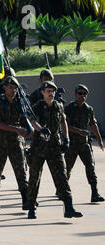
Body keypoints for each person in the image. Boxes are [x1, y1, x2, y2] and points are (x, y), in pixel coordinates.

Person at [27, 81, 83, 219]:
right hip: (39, 147)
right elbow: (32, 121)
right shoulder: (38, 106)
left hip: (54, 148)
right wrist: (41, 129)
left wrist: (67, 139)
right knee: (34, 178)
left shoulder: (59, 106)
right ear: (43, 93)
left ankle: (68, 207)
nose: (51, 93)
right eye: (48, 91)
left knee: (62, 177)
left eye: (53, 91)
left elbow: (63, 122)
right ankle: (31, 207)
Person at [0, 76, 31, 210]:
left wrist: (30, 129)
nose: (13, 90)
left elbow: (25, 121)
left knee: (21, 171)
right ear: (4, 88)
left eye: (15, 88)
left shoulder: (20, 103)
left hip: (15, 142)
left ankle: (25, 199)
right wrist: (17, 129)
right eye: (10, 87)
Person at [64, 84, 104, 202]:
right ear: (76, 94)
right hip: (72, 144)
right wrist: (79, 131)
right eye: (80, 93)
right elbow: (64, 126)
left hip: (84, 144)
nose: (82, 96)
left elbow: (93, 124)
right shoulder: (69, 108)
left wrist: (100, 139)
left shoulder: (88, 109)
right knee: (67, 169)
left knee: (90, 167)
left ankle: (95, 193)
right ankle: (62, 189)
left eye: (84, 94)